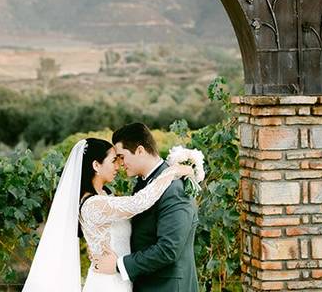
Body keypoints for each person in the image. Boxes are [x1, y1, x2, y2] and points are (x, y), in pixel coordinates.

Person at [22, 136, 193, 292]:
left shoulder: (105, 197)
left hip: (121, 277)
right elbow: (139, 202)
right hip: (108, 282)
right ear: (96, 165)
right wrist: (171, 172)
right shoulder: (94, 204)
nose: (118, 166)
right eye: (113, 161)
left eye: (120, 160)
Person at [94, 123, 200, 292]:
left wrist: (119, 265)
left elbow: (168, 249)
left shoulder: (174, 188)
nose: (120, 164)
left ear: (140, 150)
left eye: (122, 156)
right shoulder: (145, 183)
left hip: (167, 287)